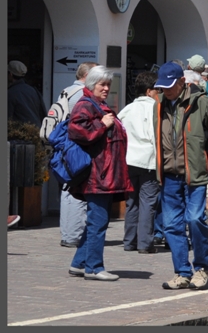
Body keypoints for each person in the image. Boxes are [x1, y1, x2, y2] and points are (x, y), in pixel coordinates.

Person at [153, 62, 208, 290]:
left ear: (182, 82)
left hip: (194, 173)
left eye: (170, 86)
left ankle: (202, 268)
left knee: (195, 219)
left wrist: (203, 155)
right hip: (169, 174)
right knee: (171, 225)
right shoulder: (158, 105)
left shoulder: (202, 102)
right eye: (162, 87)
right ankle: (182, 272)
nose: (166, 91)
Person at [67, 65, 131, 281]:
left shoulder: (98, 104)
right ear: (92, 84)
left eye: (108, 85)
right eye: (102, 84)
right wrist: (102, 125)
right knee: (98, 221)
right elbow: (77, 132)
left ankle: (79, 263)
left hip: (105, 174)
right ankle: (94, 268)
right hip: (97, 175)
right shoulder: (85, 104)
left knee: (97, 221)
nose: (106, 88)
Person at [41, 61, 97, 249]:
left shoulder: (67, 91)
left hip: (66, 147)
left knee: (67, 190)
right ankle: (74, 235)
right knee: (76, 191)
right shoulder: (82, 94)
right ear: (87, 76)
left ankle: (68, 234)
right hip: (76, 147)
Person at [119, 71, 162, 254]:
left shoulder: (127, 109)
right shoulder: (155, 109)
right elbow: (156, 137)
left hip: (129, 160)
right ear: (148, 91)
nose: (160, 93)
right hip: (148, 161)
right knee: (148, 202)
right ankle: (145, 243)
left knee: (132, 201)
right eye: (157, 90)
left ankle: (130, 241)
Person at [8, 60, 46, 127]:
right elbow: (42, 113)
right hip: (36, 130)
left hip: (20, 131)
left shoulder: (10, 93)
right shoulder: (33, 90)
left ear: (11, 74)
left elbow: (8, 118)